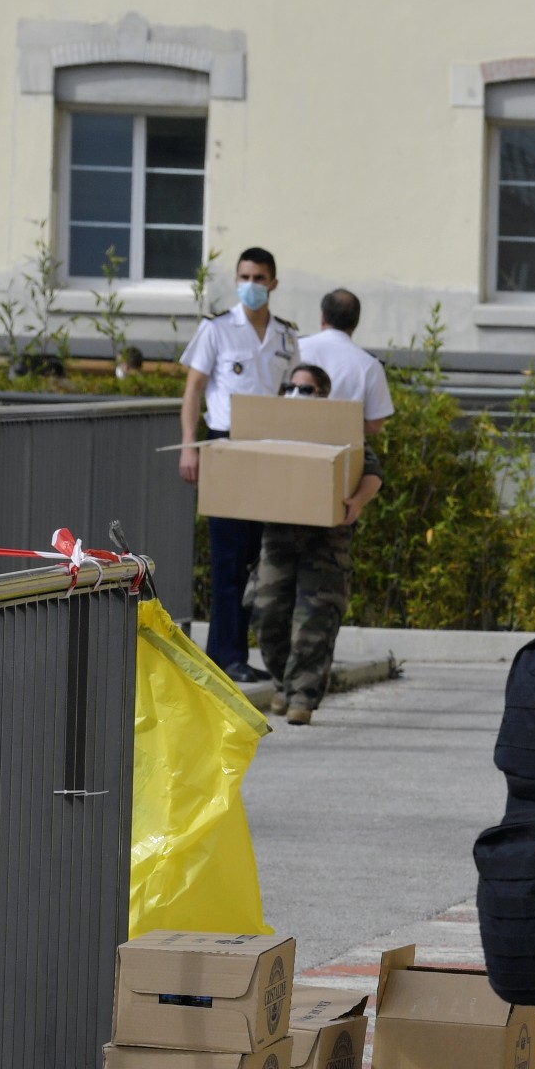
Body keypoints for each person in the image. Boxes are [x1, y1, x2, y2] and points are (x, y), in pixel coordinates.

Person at [179, 247, 300, 681]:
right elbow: (194, 389)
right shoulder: (217, 329)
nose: (251, 285)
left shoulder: (286, 336)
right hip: (226, 445)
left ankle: (241, 655)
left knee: (258, 558)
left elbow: (293, 393)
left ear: (273, 283)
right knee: (228, 557)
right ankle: (224, 656)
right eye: (245, 277)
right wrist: (189, 446)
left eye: (259, 278)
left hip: (268, 450)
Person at [251, 363, 381, 725]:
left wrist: (356, 503)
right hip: (278, 537)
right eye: (290, 387)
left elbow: (372, 472)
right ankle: (283, 683)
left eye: (305, 389)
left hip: (325, 541)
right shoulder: (272, 430)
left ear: (323, 395)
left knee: (313, 620)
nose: (295, 394)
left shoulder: (338, 430)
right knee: (267, 613)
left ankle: (302, 698)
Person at [296, 288, 396, 427]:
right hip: (343, 439)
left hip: (293, 435)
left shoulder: (296, 348)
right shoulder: (370, 365)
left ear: (323, 317)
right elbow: (375, 425)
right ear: (356, 323)